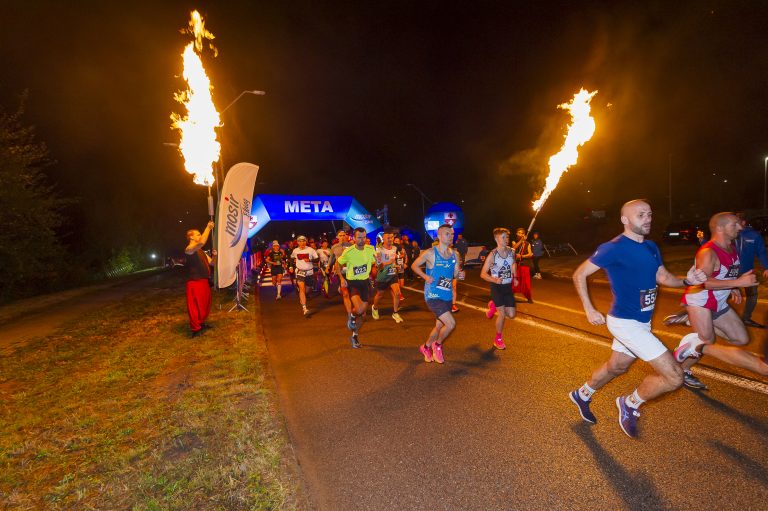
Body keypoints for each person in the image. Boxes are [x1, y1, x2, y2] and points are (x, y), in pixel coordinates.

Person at [568, 200, 707, 438]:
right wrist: (589, 309)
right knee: (674, 377)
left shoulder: (651, 246)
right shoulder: (613, 248)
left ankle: (582, 394)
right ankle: (630, 403)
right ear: (625, 220)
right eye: (641, 214)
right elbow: (579, 274)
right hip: (624, 322)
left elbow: (663, 276)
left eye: (650, 214)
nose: (647, 218)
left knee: (617, 366)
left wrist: (687, 281)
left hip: (642, 322)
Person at [673, 212, 768, 387]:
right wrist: (737, 282)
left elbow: (724, 273)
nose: (740, 227)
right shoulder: (708, 252)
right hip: (700, 301)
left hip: (718, 301)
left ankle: (693, 325)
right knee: (707, 341)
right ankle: (684, 370)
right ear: (720, 228)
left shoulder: (731, 248)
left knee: (741, 339)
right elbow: (702, 283)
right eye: (734, 224)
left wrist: (732, 287)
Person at [411, 224, 462, 364]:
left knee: (439, 326)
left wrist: (460, 274)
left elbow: (456, 274)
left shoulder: (455, 254)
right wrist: (425, 276)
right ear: (439, 236)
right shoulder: (430, 253)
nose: (451, 236)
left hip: (447, 295)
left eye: (452, 234)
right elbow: (414, 266)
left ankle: (426, 347)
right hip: (433, 295)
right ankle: (437, 345)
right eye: (447, 234)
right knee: (451, 324)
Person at [336, 227, 377, 348]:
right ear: (354, 238)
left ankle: (354, 335)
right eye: (359, 237)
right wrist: (342, 279)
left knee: (363, 314)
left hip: (365, 283)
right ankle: (352, 316)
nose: (362, 239)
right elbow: (337, 264)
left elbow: (376, 263)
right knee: (359, 309)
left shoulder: (370, 249)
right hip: (353, 283)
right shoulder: (348, 252)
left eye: (364, 237)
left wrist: (379, 262)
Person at [480, 228, 518, 349]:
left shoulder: (512, 251)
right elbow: (483, 274)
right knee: (501, 314)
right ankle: (498, 338)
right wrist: (494, 279)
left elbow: (513, 264)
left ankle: (492, 305)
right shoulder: (492, 255)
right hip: (497, 287)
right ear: (496, 239)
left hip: (507, 286)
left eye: (507, 237)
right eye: (503, 237)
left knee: (511, 315)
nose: (506, 239)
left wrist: (515, 277)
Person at [735, 213, 768, 328]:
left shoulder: (754, 235)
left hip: (747, 271)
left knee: (752, 296)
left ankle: (746, 318)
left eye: (737, 221)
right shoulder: (728, 235)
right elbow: (715, 248)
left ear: (743, 222)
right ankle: (714, 316)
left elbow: (761, 252)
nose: (733, 224)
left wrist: (766, 267)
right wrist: (702, 241)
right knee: (723, 294)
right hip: (730, 272)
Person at [184, 221, 215, 338]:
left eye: (199, 234)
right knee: (194, 306)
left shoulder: (200, 251)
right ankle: (195, 329)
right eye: (197, 234)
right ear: (191, 237)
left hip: (204, 282)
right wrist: (207, 227)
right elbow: (202, 242)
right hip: (194, 282)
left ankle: (201, 323)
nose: (199, 236)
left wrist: (215, 255)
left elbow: (212, 263)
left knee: (204, 304)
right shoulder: (189, 249)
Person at [371, 232, 404, 323]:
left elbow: (396, 257)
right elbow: (379, 265)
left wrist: (396, 264)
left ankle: (395, 312)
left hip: (392, 274)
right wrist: (389, 262)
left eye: (391, 237)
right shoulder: (379, 250)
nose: (390, 239)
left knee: (397, 293)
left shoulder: (394, 248)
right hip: (382, 276)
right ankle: (375, 308)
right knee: (380, 294)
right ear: (384, 239)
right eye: (388, 238)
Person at [290, 236, 319, 316]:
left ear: (306, 242)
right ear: (298, 242)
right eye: (300, 241)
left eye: (303, 241)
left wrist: (310, 260)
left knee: (307, 289)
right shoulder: (295, 250)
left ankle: (303, 295)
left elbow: (317, 259)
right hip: (300, 272)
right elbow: (291, 258)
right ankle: (304, 308)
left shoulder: (311, 250)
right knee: (302, 289)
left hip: (309, 272)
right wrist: (291, 266)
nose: (302, 243)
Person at [329, 229, 354, 315]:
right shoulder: (334, 247)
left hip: (351, 272)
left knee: (352, 292)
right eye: (340, 235)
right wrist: (328, 267)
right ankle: (350, 313)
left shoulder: (352, 246)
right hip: (341, 273)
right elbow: (331, 259)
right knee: (345, 293)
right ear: (337, 237)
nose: (342, 237)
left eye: (344, 235)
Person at [513, 228, 534, 303]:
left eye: (521, 233)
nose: (519, 234)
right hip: (515, 265)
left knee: (526, 283)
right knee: (514, 281)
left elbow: (530, 254)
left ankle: (529, 298)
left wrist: (522, 256)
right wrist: (521, 241)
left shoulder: (527, 243)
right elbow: (513, 248)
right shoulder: (514, 242)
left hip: (525, 265)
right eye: (518, 232)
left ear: (524, 235)